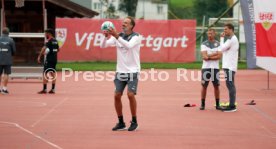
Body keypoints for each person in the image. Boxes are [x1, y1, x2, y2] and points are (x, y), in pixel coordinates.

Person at [100, 16, 141, 131]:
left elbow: (128, 46)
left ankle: (134, 121)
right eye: (123, 23)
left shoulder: (136, 37)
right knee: (117, 95)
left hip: (133, 71)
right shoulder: (117, 36)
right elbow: (103, 45)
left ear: (132, 26)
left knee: (130, 95)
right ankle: (121, 122)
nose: (123, 24)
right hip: (120, 71)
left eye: (126, 23)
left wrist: (115, 36)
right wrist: (105, 37)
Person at [200, 28, 222, 110]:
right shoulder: (204, 44)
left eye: (211, 33)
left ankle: (217, 104)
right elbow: (204, 57)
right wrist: (215, 54)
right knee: (204, 86)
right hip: (206, 68)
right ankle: (202, 104)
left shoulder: (218, 44)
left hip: (215, 68)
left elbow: (219, 56)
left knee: (216, 86)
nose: (209, 35)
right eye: (208, 34)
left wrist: (209, 56)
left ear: (214, 34)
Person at [220, 23, 239, 112]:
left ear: (231, 30)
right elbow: (223, 49)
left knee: (230, 85)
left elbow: (221, 49)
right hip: (228, 66)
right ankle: (231, 104)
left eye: (226, 29)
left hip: (230, 67)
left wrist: (221, 38)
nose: (224, 31)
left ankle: (232, 106)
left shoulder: (232, 39)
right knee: (229, 84)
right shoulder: (231, 39)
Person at [37, 29, 59, 94]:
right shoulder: (55, 41)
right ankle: (53, 89)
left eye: (46, 33)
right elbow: (58, 49)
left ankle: (44, 89)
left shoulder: (49, 40)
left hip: (49, 59)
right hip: (54, 59)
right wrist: (51, 52)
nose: (45, 35)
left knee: (45, 73)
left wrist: (39, 56)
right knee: (53, 73)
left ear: (49, 34)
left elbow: (43, 48)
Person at [0, 27, 16, 94]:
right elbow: (14, 51)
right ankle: (4, 89)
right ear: (8, 33)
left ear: (2, 32)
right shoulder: (11, 40)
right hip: (7, 59)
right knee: (6, 74)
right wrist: (10, 54)